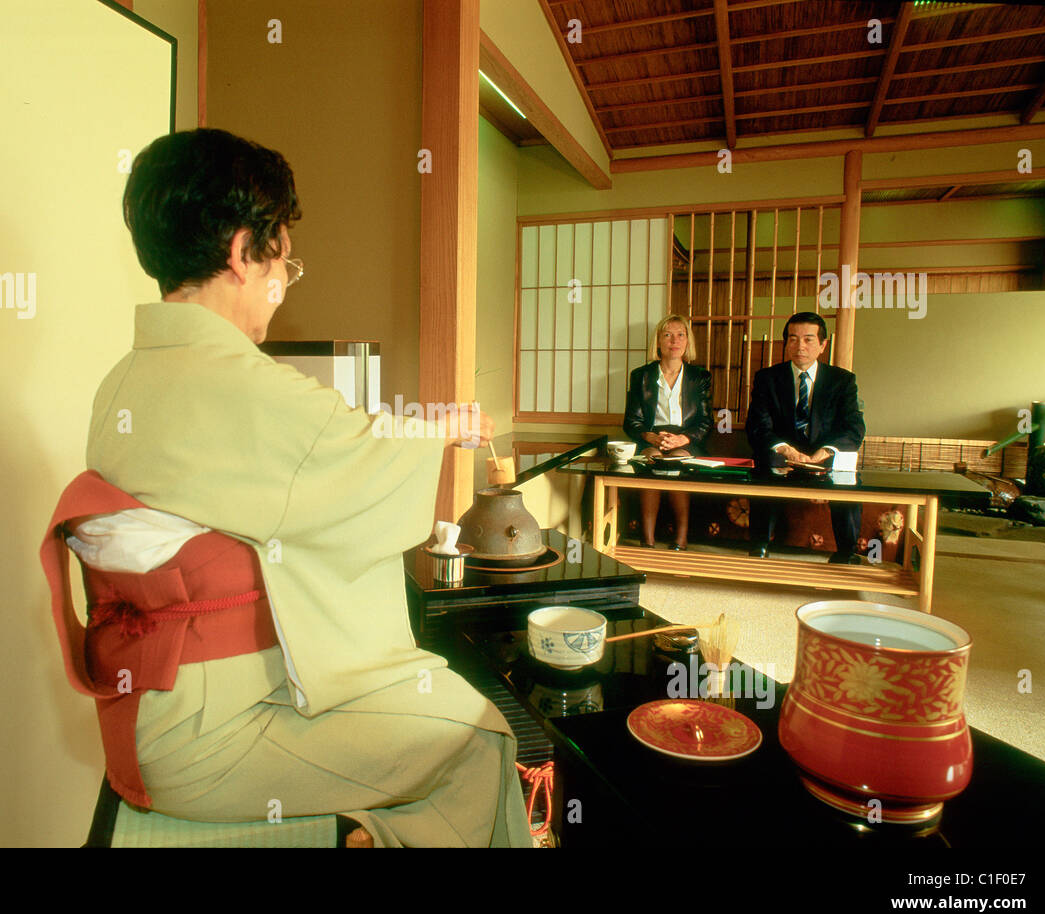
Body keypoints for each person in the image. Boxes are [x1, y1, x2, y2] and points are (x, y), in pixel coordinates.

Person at [42, 129, 533, 847]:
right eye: (283, 260)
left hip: (149, 709)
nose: (282, 280)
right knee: (479, 737)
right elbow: (358, 466)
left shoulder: (122, 382)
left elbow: (311, 457)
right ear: (244, 252)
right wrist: (437, 431)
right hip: (210, 729)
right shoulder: (241, 386)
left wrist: (417, 429)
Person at [745, 311, 865, 563]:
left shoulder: (842, 381)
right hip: (784, 454)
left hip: (824, 453)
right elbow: (758, 425)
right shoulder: (767, 378)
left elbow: (854, 428)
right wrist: (786, 449)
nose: (800, 346)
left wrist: (826, 451)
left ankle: (846, 552)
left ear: (822, 345)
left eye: (808, 339)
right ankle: (759, 546)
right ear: (786, 343)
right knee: (766, 465)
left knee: (847, 474)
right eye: (793, 338)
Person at [623, 314, 713, 550]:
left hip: (687, 438)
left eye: (680, 335)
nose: (674, 340)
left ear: (687, 341)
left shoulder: (699, 377)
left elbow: (705, 422)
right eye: (667, 335)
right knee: (650, 460)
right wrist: (651, 436)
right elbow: (631, 421)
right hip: (653, 436)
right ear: (659, 342)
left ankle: (681, 539)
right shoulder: (641, 375)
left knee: (677, 460)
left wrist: (682, 439)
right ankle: (647, 540)